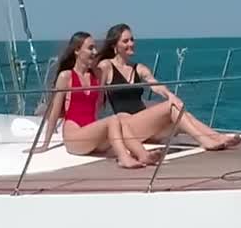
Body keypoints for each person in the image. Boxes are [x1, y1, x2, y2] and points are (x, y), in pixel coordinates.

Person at [95, 23, 240, 151]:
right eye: (125, 41)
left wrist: (171, 96)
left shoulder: (139, 68)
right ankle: (205, 141)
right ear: (115, 46)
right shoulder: (106, 66)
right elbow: (97, 96)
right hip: (128, 127)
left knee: (183, 113)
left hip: (145, 126)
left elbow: (157, 86)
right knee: (171, 107)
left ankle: (218, 137)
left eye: (132, 39)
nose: (131, 43)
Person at [32, 32, 156, 169]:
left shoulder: (97, 76)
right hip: (74, 137)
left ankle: (142, 154)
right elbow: (55, 112)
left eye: (95, 48)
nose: (95, 52)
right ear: (77, 51)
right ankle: (123, 158)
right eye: (90, 48)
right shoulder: (66, 76)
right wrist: (45, 144)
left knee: (121, 117)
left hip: (91, 135)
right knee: (113, 119)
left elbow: (99, 105)